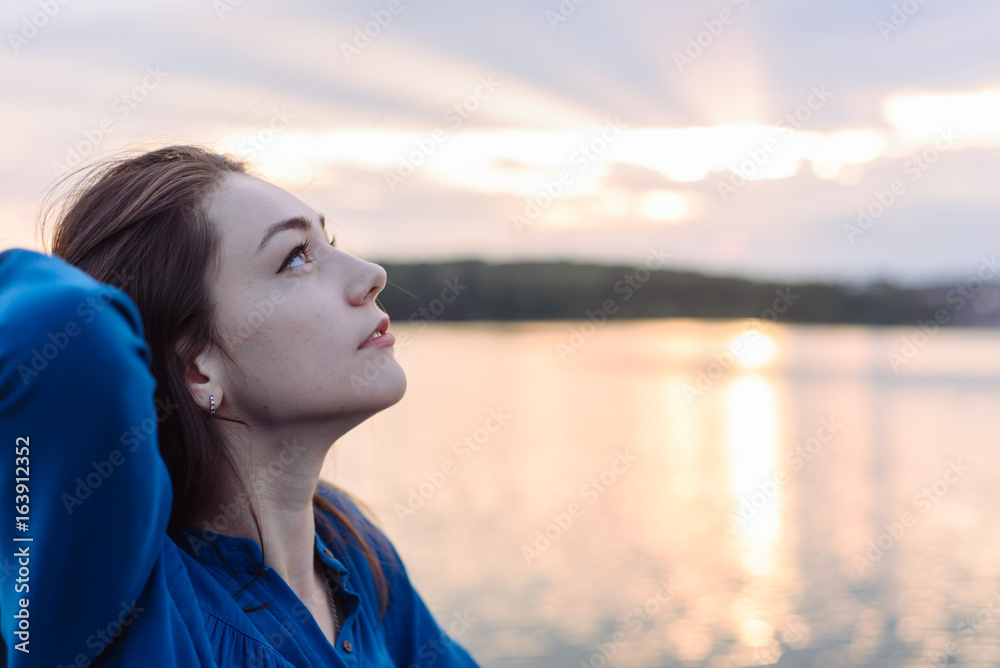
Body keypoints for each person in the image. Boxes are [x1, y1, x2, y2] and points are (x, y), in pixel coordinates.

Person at [0, 145, 480, 667]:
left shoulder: (353, 548)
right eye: (296, 257)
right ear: (197, 370)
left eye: (330, 240)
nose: (372, 274)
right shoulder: (131, 605)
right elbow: (62, 329)